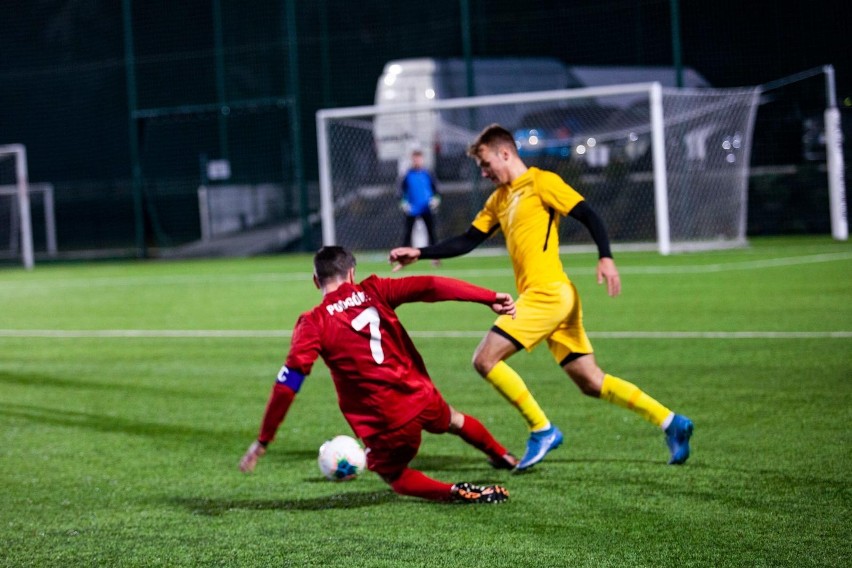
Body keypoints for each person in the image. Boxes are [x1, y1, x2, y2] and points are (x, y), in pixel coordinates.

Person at [389, 123, 694, 471]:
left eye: (487, 164)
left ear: (505, 153)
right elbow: (467, 240)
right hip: (554, 297)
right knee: (591, 382)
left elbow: (587, 213)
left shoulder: (541, 182)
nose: (485, 173)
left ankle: (542, 429)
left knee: (485, 360)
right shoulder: (499, 200)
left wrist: (605, 256)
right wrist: (420, 252)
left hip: (548, 294)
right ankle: (672, 422)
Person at [239, 245, 517, 504]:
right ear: (351, 273)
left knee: (395, 476)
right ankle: (503, 455)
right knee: (455, 420)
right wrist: (489, 298)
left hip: (387, 421)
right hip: (421, 395)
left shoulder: (314, 322)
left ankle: (456, 492)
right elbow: (431, 285)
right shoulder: (375, 289)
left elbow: (287, 385)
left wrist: (263, 441)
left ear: (316, 280)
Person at [400, 150, 441, 260]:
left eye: (418, 159)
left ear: (422, 160)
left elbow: (436, 190)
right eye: (414, 159)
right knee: (407, 234)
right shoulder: (407, 175)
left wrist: (436, 200)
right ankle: (402, 256)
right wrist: (403, 203)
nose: (416, 161)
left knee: (432, 233)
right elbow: (401, 191)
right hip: (412, 209)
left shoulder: (428, 173)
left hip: (427, 208)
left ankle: (435, 256)